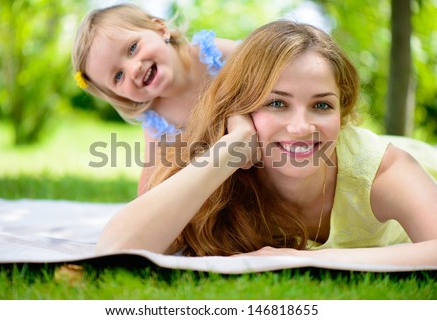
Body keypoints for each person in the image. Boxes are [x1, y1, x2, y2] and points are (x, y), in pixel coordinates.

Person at [95, 20, 437, 266]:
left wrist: (306, 259)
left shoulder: (384, 170)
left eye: (322, 105)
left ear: (341, 110)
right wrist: (233, 148)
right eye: (276, 103)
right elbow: (117, 249)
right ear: (239, 110)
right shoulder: (221, 171)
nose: (301, 127)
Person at [72, 3, 238, 194]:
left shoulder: (211, 53)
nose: (134, 69)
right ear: (119, 95)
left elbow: (269, 68)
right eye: (118, 76)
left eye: (133, 48)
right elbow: (151, 180)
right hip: (229, 184)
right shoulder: (158, 120)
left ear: (160, 30)